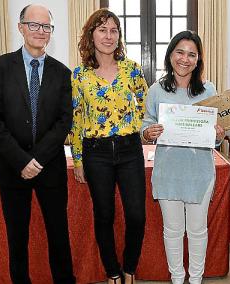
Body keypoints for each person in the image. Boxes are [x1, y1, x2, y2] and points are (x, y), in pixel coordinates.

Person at [0, 4, 75, 284]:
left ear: (51, 32)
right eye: (33, 25)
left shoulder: (62, 73)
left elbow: (64, 122)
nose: (40, 31)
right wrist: (22, 161)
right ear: (21, 27)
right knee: (17, 239)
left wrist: (38, 160)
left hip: (50, 168)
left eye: (46, 26)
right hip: (12, 168)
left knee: (59, 236)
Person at [70, 8, 148, 284]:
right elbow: (76, 120)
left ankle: (129, 268)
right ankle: (113, 272)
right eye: (102, 29)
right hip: (96, 153)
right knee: (104, 215)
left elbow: (145, 107)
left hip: (129, 150)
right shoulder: (80, 75)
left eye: (114, 30)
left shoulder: (133, 69)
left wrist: (142, 130)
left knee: (137, 215)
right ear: (91, 35)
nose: (109, 35)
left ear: (119, 36)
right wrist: (77, 159)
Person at [141, 30, 225, 284]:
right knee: (173, 231)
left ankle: (196, 279)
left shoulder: (209, 89)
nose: (185, 59)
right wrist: (148, 132)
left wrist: (219, 134)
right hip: (168, 171)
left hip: (200, 171)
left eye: (192, 54)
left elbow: (217, 135)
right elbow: (145, 127)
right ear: (170, 55)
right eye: (180, 52)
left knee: (198, 231)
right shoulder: (156, 90)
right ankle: (178, 278)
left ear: (198, 60)